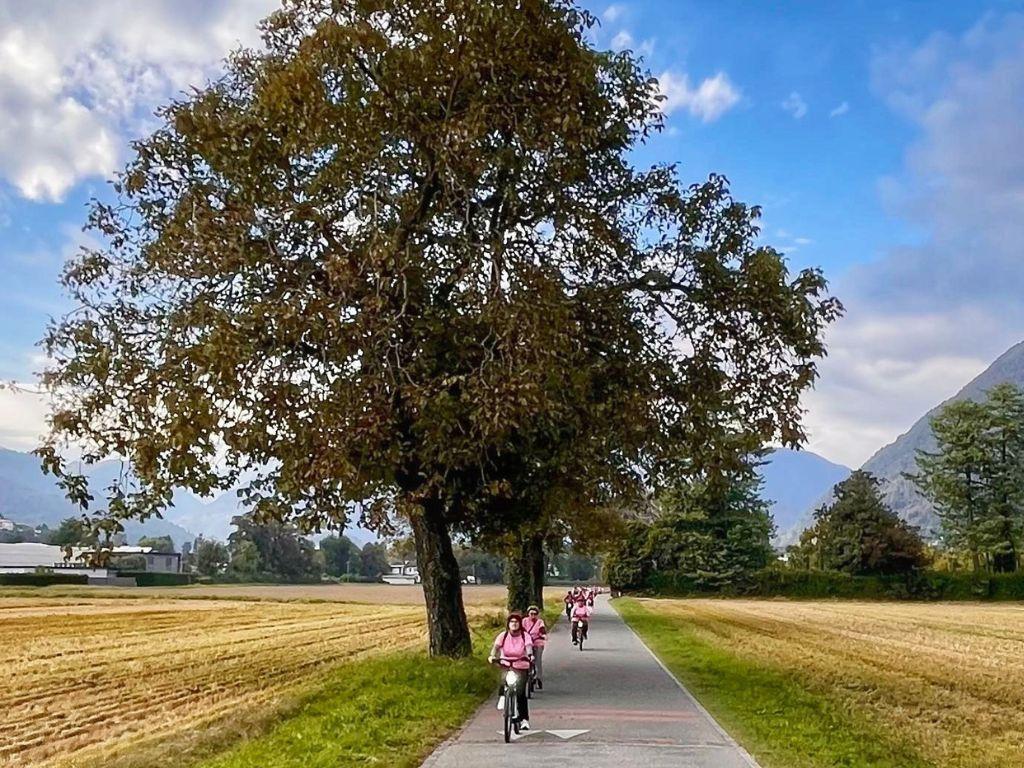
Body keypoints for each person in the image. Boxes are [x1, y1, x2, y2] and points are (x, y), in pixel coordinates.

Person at [488, 612, 533, 730]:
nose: (514, 624)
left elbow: (528, 647)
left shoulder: (525, 636)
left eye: (516, 622)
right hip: (506, 663)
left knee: (521, 693)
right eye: (512, 622)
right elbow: (495, 648)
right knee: (504, 678)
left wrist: (530, 655)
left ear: (520, 624)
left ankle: (524, 719)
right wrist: (492, 656)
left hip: (521, 664)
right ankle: (503, 696)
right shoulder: (503, 636)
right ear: (508, 624)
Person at [522, 605, 547, 690]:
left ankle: (538, 677)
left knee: (537, 660)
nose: (533, 616)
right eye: (531, 614)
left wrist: (543, 635)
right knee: (524, 657)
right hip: (527, 642)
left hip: (537, 642)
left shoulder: (540, 622)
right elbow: (521, 630)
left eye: (535, 614)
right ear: (528, 614)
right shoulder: (524, 621)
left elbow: (542, 629)